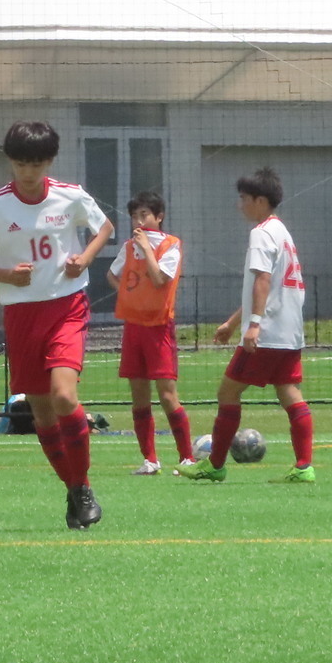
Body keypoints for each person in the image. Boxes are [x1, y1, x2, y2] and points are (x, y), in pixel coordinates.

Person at [0, 121, 115, 529]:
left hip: (67, 306)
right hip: (22, 314)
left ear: (49, 161)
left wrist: (85, 259)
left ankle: (82, 487)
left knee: (64, 397)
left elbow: (104, 229)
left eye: (37, 163)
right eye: (20, 163)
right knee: (42, 414)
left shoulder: (71, 196)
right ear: (10, 161)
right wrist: (8, 276)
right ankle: (74, 489)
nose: (28, 172)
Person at [179, 168, 316, 485]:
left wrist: (253, 326)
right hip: (289, 332)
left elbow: (264, 281)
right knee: (290, 393)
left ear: (260, 200)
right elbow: (268, 288)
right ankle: (304, 466)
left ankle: (214, 465)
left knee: (227, 391)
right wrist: (232, 321)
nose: (239, 205)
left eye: (243, 199)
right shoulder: (282, 232)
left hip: (266, 333)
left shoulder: (261, 233)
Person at [108, 191, 195, 476]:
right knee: (139, 396)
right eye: (135, 215)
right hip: (133, 326)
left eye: (145, 214)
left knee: (168, 395)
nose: (139, 220)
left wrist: (146, 249)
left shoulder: (171, 245)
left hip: (159, 327)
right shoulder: (128, 246)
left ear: (159, 217)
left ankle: (187, 458)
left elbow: (159, 280)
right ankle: (150, 460)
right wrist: (130, 295)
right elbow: (112, 274)